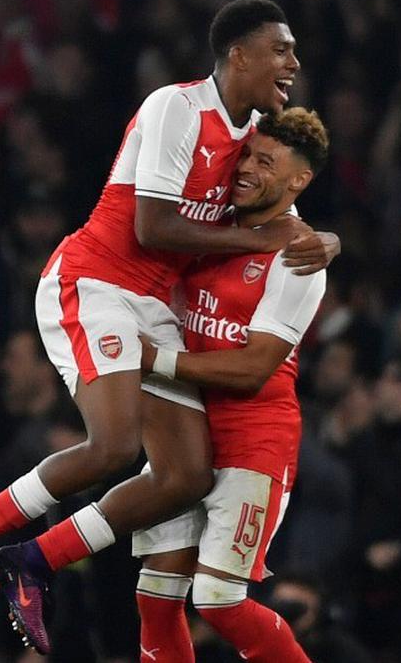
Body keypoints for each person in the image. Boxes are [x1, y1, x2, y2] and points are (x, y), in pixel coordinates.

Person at [0, 0, 339, 655]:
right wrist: (263, 238)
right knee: (115, 447)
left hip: (156, 308)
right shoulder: (175, 108)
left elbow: (286, 188)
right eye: (281, 49)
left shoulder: (253, 132)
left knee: (183, 478)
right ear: (238, 54)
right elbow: (153, 227)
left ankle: (31, 560)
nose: (293, 62)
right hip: (95, 284)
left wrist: (323, 239)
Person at [131, 107, 329, 662]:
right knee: (156, 594)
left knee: (217, 598)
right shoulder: (210, 230)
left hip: (253, 441)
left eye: (265, 162)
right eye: (245, 154)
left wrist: (156, 361)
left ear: (298, 181)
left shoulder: (298, 257)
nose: (245, 168)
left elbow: (251, 368)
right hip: (185, 427)